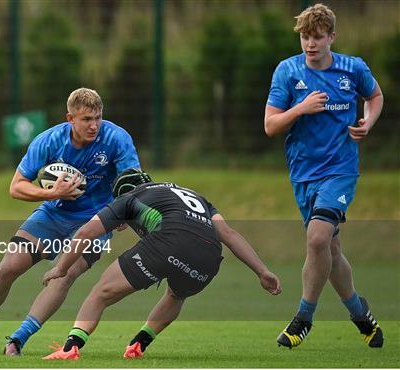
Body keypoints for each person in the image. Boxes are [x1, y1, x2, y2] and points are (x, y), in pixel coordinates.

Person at [0, 88, 141, 355]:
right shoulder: (49, 141)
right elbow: (16, 187)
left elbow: (132, 182)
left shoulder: (117, 138)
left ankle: (17, 339)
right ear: (70, 118)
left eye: (97, 117)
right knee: (9, 266)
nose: (94, 125)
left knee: (64, 273)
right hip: (53, 213)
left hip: (95, 221)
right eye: (86, 119)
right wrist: (52, 193)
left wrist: (123, 211)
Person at [40, 168, 282, 360]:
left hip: (168, 242)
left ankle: (71, 347)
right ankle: (139, 344)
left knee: (100, 293)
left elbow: (85, 234)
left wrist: (61, 268)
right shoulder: (195, 197)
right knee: (176, 295)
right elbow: (228, 234)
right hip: (209, 259)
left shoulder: (129, 197)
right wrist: (262, 271)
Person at [264, 4, 384, 348]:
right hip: (303, 174)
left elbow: (374, 96)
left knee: (317, 239)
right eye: (305, 36)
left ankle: (303, 318)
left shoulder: (353, 68)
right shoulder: (287, 71)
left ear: (332, 37)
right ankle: (361, 314)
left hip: (341, 170)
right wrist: (301, 108)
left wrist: (367, 122)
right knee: (330, 250)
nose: (310, 44)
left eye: (317, 37)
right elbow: (270, 125)